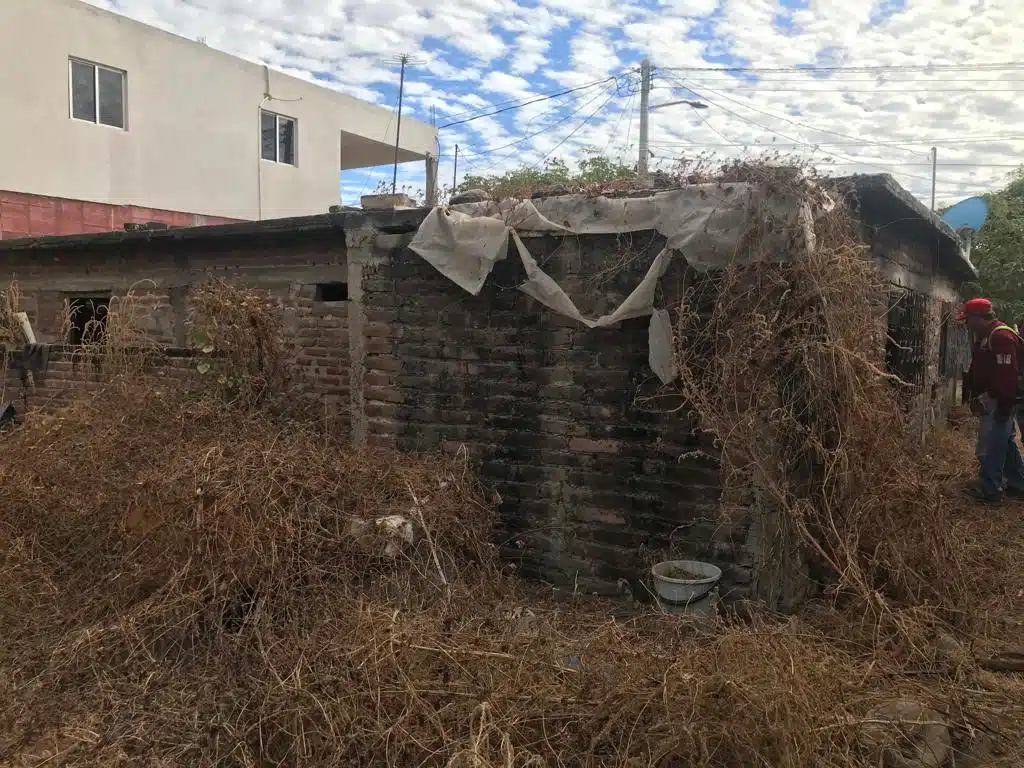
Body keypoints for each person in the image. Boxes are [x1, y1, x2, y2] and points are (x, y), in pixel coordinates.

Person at [960, 298, 1024, 504]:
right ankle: (1018, 483)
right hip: (997, 398)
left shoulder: (1001, 337)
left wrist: (1004, 407)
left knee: (989, 446)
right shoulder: (986, 335)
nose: (966, 323)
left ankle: (990, 489)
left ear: (979, 318)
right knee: (1004, 441)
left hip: (1002, 399)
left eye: (968, 319)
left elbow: (1008, 376)